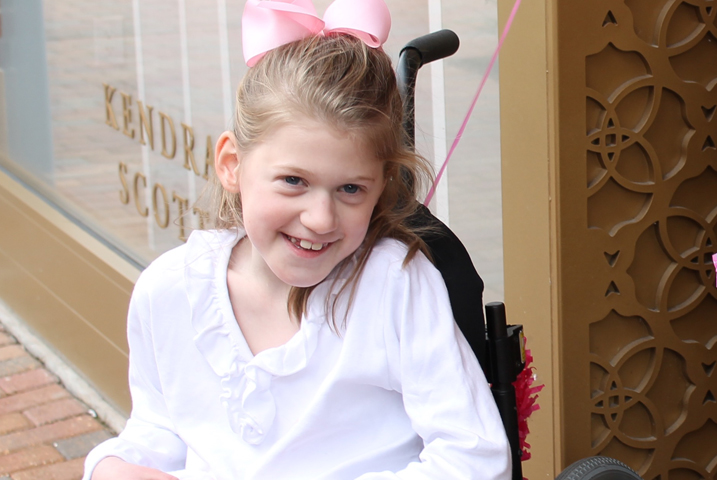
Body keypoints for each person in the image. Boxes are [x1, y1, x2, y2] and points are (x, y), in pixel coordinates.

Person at [83, 1, 509, 478]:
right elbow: (162, 427)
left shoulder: (392, 286)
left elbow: (473, 454)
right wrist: (115, 467)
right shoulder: (169, 291)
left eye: (350, 189)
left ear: (380, 186)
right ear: (231, 164)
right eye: (293, 181)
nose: (321, 218)